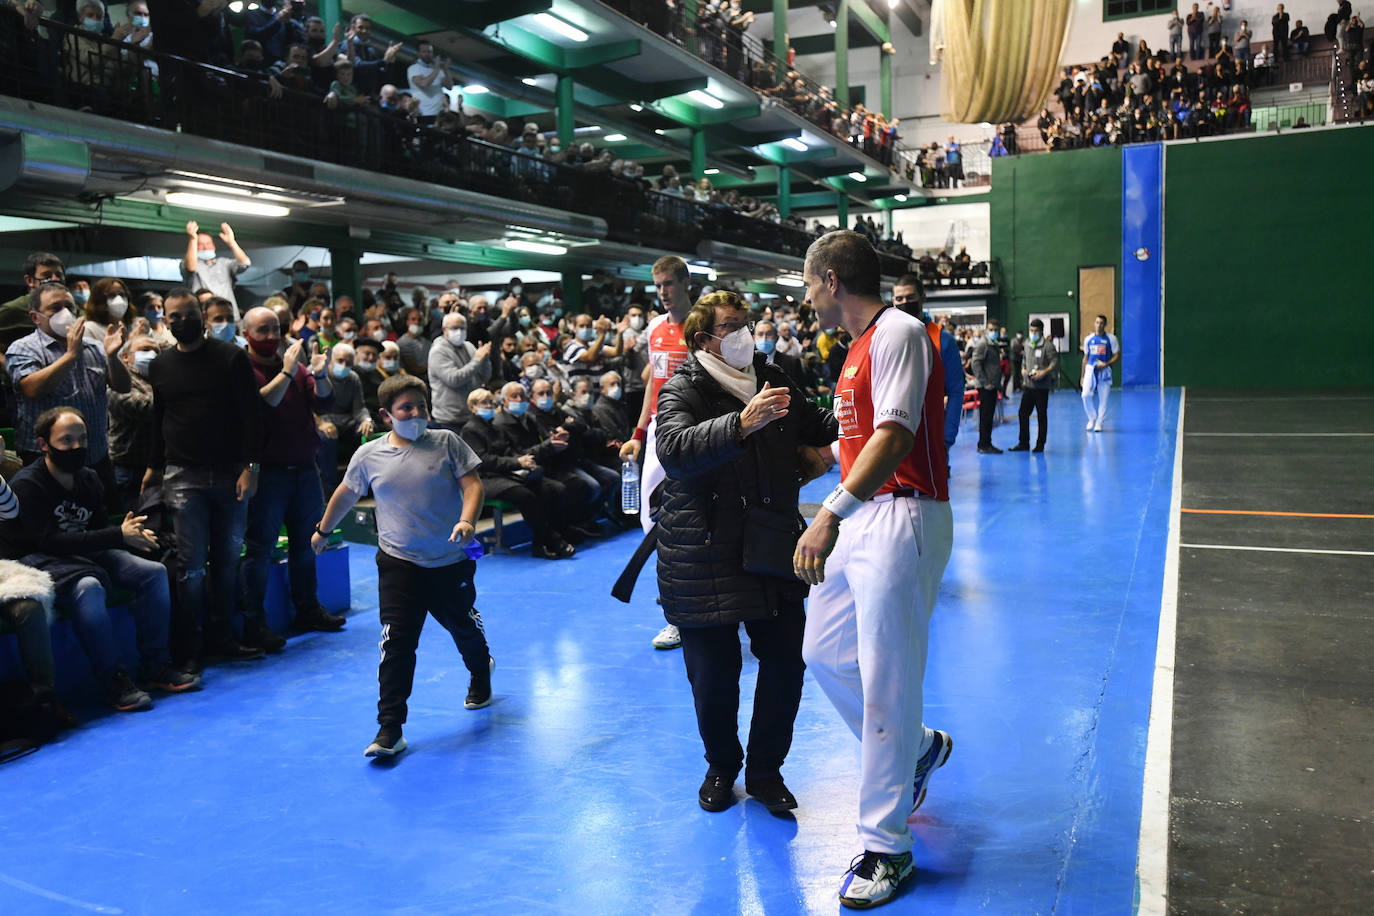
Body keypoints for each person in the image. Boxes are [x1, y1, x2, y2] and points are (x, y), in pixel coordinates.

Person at [793, 230, 954, 909]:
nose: (806, 300)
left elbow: (893, 436)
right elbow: (857, 440)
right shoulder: (854, 349)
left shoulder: (900, 332)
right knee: (824, 651)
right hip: (863, 514)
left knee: (887, 678)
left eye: (808, 285)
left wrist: (828, 513)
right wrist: (800, 456)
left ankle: (887, 848)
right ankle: (915, 748)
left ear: (832, 279)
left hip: (902, 516)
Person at [654, 289, 838, 815]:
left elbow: (824, 425)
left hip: (772, 543)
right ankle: (721, 765)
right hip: (703, 551)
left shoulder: (775, 376)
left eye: (746, 323)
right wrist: (739, 424)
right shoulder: (681, 388)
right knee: (714, 676)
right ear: (702, 339)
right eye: (731, 326)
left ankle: (764, 771)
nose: (743, 334)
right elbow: (674, 450)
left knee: (786, 662)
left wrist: (832, 443)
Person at [313, 375, 492, 758]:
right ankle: (389, 728)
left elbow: (473, 484)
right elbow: (346, 493)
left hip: (448, 561)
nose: (416, 414)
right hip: (398, 563)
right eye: (406, 408)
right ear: (385, 415)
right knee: (397, 642)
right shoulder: (369, 456)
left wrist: (466, 520)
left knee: (462, 625)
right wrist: (323, 530)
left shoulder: (447, 442)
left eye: (421, 407)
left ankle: (480, 673)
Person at [1, 407, 200, 710]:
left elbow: (97, 529)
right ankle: (113, 680)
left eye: (82, 439)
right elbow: (48, 542)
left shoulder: (89, 478)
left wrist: (131, 534)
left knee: (153, 571)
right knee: (89, 586)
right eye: (66, 440)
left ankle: (156, 664)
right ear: (44, 444)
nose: (76, 447)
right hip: (39, 559)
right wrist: (116, 535)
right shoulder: (28, 484)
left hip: (85, 553)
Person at [145, 288, 265, 670]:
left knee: (227, 560)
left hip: (232, 473)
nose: (181, 321)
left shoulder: (231, 357)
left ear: (202, 314)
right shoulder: (161, 365)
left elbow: (252, 416)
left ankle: (222, 637)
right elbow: (158, 417)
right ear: (165, 320)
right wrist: (152, 465)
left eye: (188, 313)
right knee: (191, 567)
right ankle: (189, 648)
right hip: (182, 474)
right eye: (173, 316)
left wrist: (252, 466)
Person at [238, 308, 345, 654]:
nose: (271, 335)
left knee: (306, 544)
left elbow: (324, 400)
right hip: (267, 473)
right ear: (246, 332)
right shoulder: (243, 367)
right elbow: (260, 405)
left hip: (304, 468)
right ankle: (253, 624)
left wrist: (321, 375)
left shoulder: (297, 364)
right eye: (262, 330)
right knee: (260, 549)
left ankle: (308, 609)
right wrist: (286, 370)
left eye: (276, 329)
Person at [618, 255, 693, 651]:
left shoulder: (705, 325)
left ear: (684, 283)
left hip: (694, 436)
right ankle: (674, 605)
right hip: (658, 436)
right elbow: (653, 384)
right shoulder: (654, 329)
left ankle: (696, 607)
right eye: (657, 285)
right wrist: (638, 432)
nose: (662, 292)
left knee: (696, 523)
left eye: (668, 284)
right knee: (652, 519)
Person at [5, 283, 130, 505]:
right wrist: (71, 355)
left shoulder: (94, 347)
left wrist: (112, 357)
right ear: (36, 317)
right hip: (46, 460)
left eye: (69, 306)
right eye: (55, 307)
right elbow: (31, 389)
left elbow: (122, 386)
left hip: (95, 456)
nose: (65, 313)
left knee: (104, 521)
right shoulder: (23, 348)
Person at [459, 387, 574, 560]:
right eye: (484, 403)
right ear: (473, 407)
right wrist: (516, 463)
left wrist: (523, 461)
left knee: (551, 488)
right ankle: (553, 540)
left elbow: (507, 450)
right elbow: (482, 460)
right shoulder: (470, 430)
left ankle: (543, 541)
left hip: (505, 474)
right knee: (525, 495)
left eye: (491, 402)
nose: (489, 406)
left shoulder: (494, 427)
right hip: (485, 479)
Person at [892, 276, 961, 471]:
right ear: (893, 302)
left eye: (910, 297)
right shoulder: (884, 337)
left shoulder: (943, 340)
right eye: (899, 299)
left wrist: (946, 440)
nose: (905, 303)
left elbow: (955, 392)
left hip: (931, 439)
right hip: (893, 438)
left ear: (922, 297)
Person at [429, 310, 492, 432]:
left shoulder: (468, 346)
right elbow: (454, 380)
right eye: (454, 328)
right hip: (450, 419)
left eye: (462, 328)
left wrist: (485, 360)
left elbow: (485, 376)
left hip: (473, 414)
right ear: (444, 330)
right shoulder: (438, 351)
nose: (459, 332)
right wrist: (477, 360)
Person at [180, 221, 250, 322]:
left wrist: (231, 242)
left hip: (230, 318)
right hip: (204, 320)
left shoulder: (224, 264)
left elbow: (245, 264)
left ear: (213, 246)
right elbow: (190, 268)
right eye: (200, 244)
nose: (205, 247)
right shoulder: (189, 264)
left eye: (208, 243)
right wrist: (193, 239)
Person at [1009, 319, 1059, 453]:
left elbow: (1054, 363)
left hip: (1042, 387)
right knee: (1022, 413)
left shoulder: (1048, 346)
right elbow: (1025, 358)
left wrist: (1044, 372)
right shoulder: (1027, 343)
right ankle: (1023, 443)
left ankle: (1040, 444)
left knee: (1041, 415)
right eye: (1031, 330)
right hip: (1028, 385)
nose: (1033, 333)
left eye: (1036, 331)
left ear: (1041, 331)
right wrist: (1023, 368)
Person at [965, 318, 1003, 454]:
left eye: (995, 330)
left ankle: (986, 443)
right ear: (987, 330)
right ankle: (983, 444)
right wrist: (985, 382)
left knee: (988, 416)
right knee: (986, 416)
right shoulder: (983, 344)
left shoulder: (993, 344)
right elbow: (975, 363)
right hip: (985, 386)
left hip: (992, 385)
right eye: (991, 330)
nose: (993, 332)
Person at [1081, 314, 1120, 432]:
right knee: (1085, 395)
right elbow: (1085, 358)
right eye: (1097, 322)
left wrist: (1106, 364)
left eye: (1101, 323)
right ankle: (1092, 417)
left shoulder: (1111, 339)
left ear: (1105, 325)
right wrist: (1082, 375)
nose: (1099, 325)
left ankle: (1099, 422)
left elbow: (1117, 355)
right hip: (1090, 370)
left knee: (1104, 399)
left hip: (1104, 371)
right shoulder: (1088, 339)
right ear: (1094, 323)